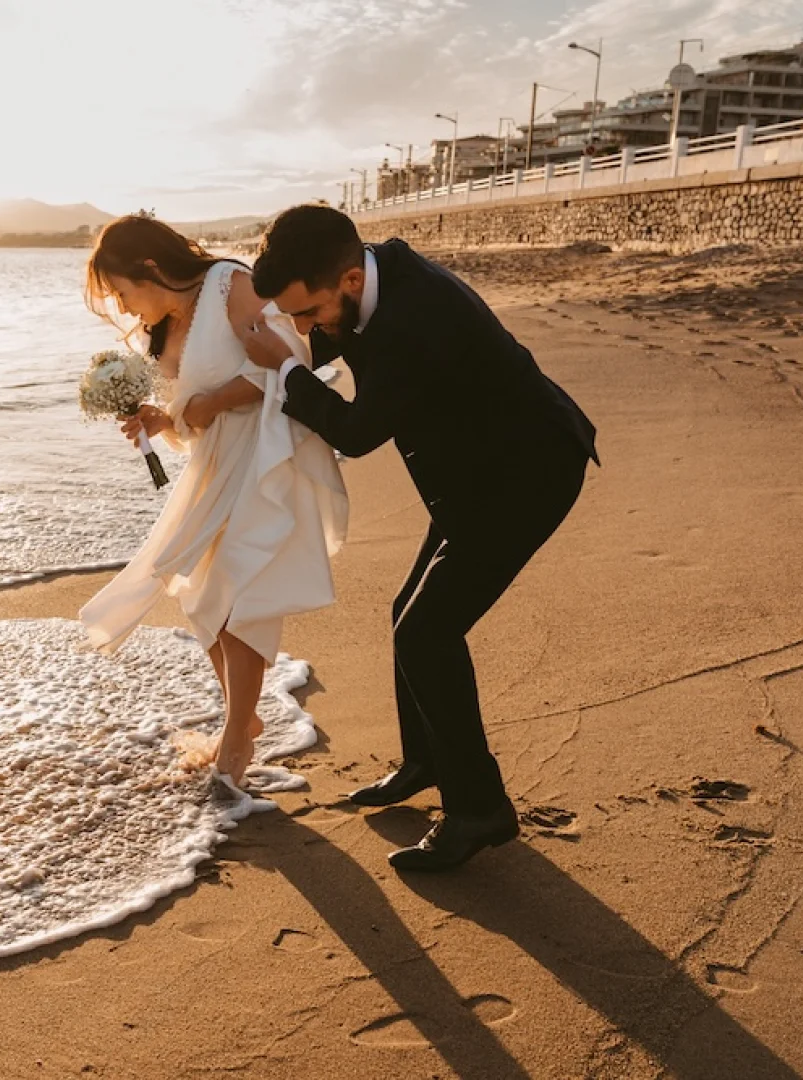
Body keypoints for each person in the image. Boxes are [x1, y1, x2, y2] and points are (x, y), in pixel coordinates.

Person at [239, 205, 598, 871]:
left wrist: (286, 372)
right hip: (474, 473)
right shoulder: (365, 280)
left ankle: (479, 810)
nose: (303, 327)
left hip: (528, 473)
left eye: (308, 312)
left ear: (350, 280)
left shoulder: (416, 315)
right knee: (408, 613)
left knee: (426, 633)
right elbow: (326, 340)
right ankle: (426, 762)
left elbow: (355, 432)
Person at [78, 214, 348, 787]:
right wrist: (164, 420)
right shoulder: (162, 329)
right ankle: (242, 718)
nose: (124, 308)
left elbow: (286, 359)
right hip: (214, 465)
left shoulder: (229, 283)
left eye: (123, 293)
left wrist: (213, 402)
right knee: (204, 596)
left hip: (262, 451)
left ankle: (236, 739)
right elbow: (191, 421)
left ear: (150, 268)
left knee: (237, 594)